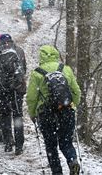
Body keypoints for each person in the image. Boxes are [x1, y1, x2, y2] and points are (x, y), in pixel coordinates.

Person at [26, 45, 81, 175]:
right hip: (66, 110)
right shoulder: (66, 69)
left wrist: (32, 114)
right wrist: (73, 106)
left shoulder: (37, 73)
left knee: (51, 146)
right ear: (56, 55)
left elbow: (31, 97)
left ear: (41, 56)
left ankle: (57, 172)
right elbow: (76, 91)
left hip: (46, 113)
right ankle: (72, 160)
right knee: (66, 142)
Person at [0, 34, 26, 155]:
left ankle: (8, 143)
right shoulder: (19, 51)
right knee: (17, 116)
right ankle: (19, 145)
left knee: (4, 115)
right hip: (17, 90)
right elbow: (23, 68)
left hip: (2, 90)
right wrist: (17, 83)